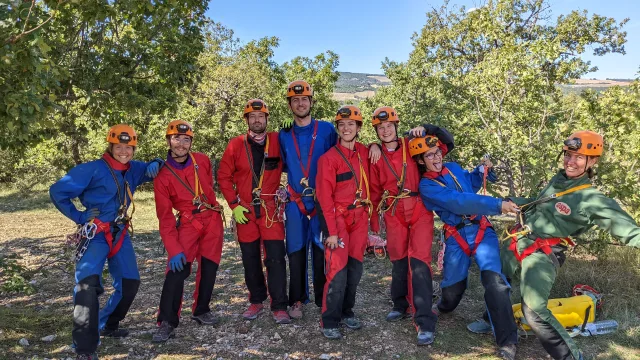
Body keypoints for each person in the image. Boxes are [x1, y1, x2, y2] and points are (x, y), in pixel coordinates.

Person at [499, 131, 640, 360]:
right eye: (568, 154)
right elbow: (539, 206)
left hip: (543, 253)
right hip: (518, 240)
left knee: (534, 310)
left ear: (592, 161)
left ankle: (570, 356)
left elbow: (628, 231)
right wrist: (503, 204)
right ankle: (494, 322)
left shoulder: (591, 199)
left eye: (579, 157)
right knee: (497, 282)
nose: (571, 161)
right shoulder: (559, 180)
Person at [50, 124, 162, 360]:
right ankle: (85, 348)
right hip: (96, 234)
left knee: (130, 283)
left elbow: (156, 163)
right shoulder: (90, 169)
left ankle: (109, 323)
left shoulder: (133, 169)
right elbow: (58, 191)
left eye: (128, 147)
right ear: (110, 146)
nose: (124, 151)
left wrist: (157, 162)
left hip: (119, 233)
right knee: (87, 286)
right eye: (119, 147)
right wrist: (80, 216)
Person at [409, 125, 519, 359]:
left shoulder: (453, 168)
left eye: (437, 152)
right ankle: (445, 307)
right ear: (421, 161)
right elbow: (459, 201)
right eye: (429, 155)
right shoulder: (427, 186)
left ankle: (508, 341)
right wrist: (498, 205)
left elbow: (469, 183)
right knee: (452, 288)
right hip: (456, 237)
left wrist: (482, 171)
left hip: (481, 231)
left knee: (495, 282)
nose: (436, 157)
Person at [368, 107, 437, 345]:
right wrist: (374, 219)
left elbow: (443, 146)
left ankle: (424, 320)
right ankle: (400, 304)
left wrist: (427, 129)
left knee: (419, 262)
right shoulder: (375, 154)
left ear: (397, 127)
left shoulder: (412, 144)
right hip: (393, 210)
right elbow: (375, 189)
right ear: (376, 131)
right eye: (380, 128)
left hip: (418, 207)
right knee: (397, 258)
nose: (386, 131)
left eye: (389, 126)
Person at [218, 99, 290, 324]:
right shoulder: (235, 145)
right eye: (252, 117)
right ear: (247, 120)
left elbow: (299, 160)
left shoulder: (278, 140)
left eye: (261, 116)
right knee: (250, 259)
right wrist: (234, 204)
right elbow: (223, 176)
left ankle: (279, 306)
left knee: (276, 258)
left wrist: (292, 131)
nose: (257, 120)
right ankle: (256, 300)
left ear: (267, 119)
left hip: (270, 211)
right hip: (246, 211)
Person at [152, 120, 225, 342]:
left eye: (186, 140)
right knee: (177, 271)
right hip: (188, 222)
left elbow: (210, 187)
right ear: (168, 140)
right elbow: (164, 218)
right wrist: (173, 249)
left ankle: (201, 309)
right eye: (176, 139)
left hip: (212, 219)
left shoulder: (201, 160)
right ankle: (167, 320)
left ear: (191, 142)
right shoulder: (162, 175)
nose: (181, 144)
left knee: (210, 266)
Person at [279, 80, 337, 318]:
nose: (300, 103)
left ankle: (325, 298)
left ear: (312, 102)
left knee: (323, 250)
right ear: (290, 105)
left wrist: (374, 145)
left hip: (322, 203)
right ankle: (297, 300)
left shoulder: (327, 130)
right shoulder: (283, 135)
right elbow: (277, 166)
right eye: (295, 100)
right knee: (295, 250)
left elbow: (342, 153)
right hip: (296, 203)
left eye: (304, 100)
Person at [316, 105, 372, 339]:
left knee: (355, 269)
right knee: (337, 271)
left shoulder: (365, 152)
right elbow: (323, 198)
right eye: (342, 125)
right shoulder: (328, 159)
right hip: (337, 220)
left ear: (359, 127)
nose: (346, 128)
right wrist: (330, 231)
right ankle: (329, 320)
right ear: (337, 129)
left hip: (360, 218)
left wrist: (376, 146)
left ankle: (347, 311)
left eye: (351, 124)